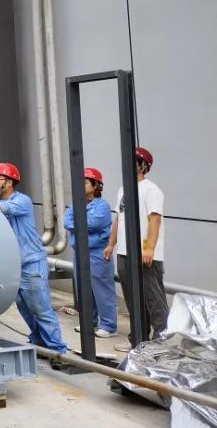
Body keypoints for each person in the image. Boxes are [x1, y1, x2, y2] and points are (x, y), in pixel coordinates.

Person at [0, 162, 68, 354]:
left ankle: (58, 351)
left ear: (9, 182)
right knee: (24, 308)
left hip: (32, 263)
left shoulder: (22, 201)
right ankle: (39, 342)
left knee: (40, 308)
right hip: (14, 265)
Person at [104, 146, 167, 352]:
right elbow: (118, 219)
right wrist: (111, 244)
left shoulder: (151, 190)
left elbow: (154, 220)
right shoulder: (123, 190)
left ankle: (161, 343)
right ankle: (138, 341)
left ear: (142, 166)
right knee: (133, 300)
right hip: (124, 253)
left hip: (145, 254)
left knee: (154, 301)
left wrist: (148, 249)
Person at [63, 167, 117, 338]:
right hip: (79, 252)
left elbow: (93, 224)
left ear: (95, 186)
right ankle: (89, 321)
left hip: (97, 252)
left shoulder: (102, 206)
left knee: (102, 289)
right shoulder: (74, 205)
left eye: (85, 182)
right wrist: (82, 224)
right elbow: (67, 222)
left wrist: (79, 224)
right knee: (83, 288)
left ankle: (109, 326)